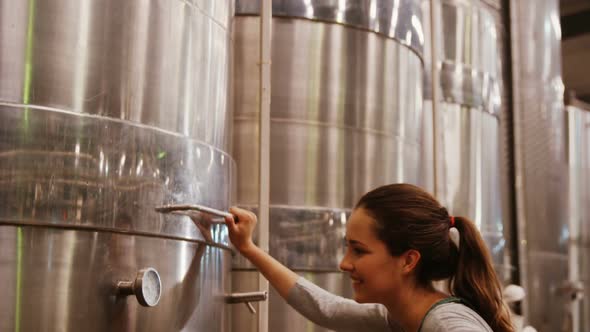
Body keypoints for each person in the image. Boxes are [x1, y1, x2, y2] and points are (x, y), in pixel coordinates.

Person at [224, 183, 514, 332]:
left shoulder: (448, 325)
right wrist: (249, 248)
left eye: (359, 250)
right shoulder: (401, 317)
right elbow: (325, 309)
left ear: (408, 261)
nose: (344, 263)